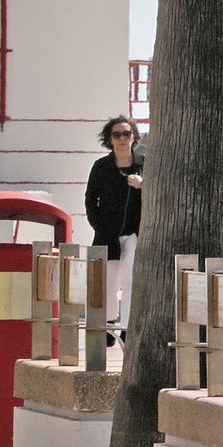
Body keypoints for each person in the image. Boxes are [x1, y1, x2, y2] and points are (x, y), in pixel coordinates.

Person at [85, 115, 144, 335]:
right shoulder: (101, 167)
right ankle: (109, 325)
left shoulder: (143, 165)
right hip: (108, 235)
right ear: (109, 139)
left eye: (126, 134)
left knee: (130, 282)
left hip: (134, 234)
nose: (121, 138)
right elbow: (90, 200)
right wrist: (99, 227)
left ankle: (127, 328)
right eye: (116, 134)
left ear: (133, 137)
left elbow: (157, 194)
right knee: (108, 284)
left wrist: (142, 185)